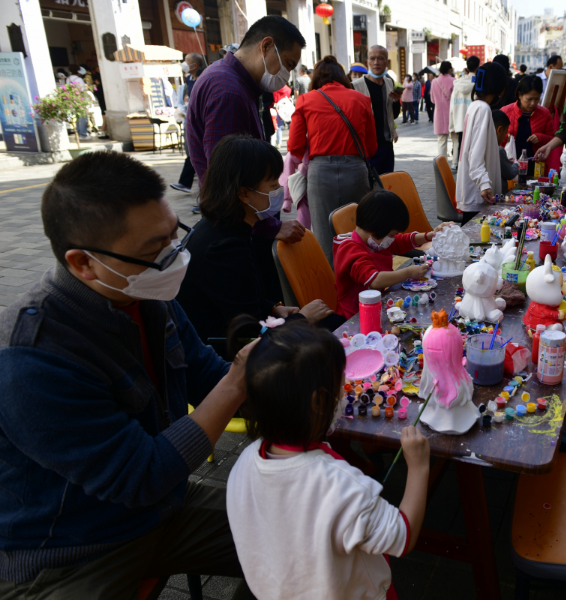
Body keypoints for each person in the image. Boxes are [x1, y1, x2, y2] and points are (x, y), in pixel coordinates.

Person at [0, 151, 258, 599]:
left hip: (161, 508)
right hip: (70, 552)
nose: (175, 258)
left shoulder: (146, 294)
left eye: (172, 236)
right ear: (82, 263)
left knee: (306, 535)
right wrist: (239, 380)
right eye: (153, 250)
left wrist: (297, 388)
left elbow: (204, 373)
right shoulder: (30, 358)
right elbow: (143, 475)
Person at [225, 317, 430, 600]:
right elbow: (402, 536)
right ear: (318, 402)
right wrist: (419, 467)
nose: (343, 395)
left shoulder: (244, 463)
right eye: (340, 389)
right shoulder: (340, 485)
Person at [176, 135, 335, 347]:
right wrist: (302, 319)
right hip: (223, 350)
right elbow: (248, 335)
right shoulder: (224, 248)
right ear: (244, 194)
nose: (279, 190)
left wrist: (272, 308)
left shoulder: (230, 228)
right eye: (272, 185)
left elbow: (241, 298)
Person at [186, 15, 306, 244]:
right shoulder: (227, 92)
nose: (287, 75)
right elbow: (228, 180)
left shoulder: (230, 80)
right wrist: (270, 228)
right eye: (288, 64)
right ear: (267, 45)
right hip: (239, 229)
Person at [288, 56, 377, 266]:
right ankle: (360, 278)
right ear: (342, 77)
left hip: (320, 173)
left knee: (323, 234)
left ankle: (330, 287)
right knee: (357, 230)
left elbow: (294, 147)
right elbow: (371, 148)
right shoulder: (361, 99)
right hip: (355, 170)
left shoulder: (305, 100)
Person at [333, 191, 449, 319]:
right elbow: (375, 280)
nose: (393, 239)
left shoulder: (376, 241)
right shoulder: (349, 249)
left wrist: (430, 235)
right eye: (392, 235)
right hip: (354, 316)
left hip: (376, 306)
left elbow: (402, 241)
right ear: (375, 228)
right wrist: (409, 272)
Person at [455, 62, 508, 222]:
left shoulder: (475, 106)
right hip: (478, 194)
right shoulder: (482, 109)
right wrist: (484, 185)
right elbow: (475, 156)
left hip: (475, 192)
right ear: (499, 87)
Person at [352, 45, 402, 175]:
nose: (376, 62)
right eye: (372, 58)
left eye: (380, 58)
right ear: (367, 61)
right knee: (369, 189)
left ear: (386, 62)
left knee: (386, 186)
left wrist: (396, 102)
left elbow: (393, 115)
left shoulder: (389, 83)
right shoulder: (355, 87)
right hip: (367, 148)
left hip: (386, 146)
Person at [500, 75, 555, 178]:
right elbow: (496, 140)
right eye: (529, 99)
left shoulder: (544, 114)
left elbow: (552, 138)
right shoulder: (505, 112)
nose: (533, 103)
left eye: (537, 99)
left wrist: (540, 137)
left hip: (535, 168)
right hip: (510, 167)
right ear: (519, 95)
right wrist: (507, 137)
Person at [170, 54, 207, 196]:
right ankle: (187, 184)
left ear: (195, 65)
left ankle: (205, 196)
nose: (184, 64)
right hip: (190, 121)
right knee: (193, 154)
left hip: (201, 123)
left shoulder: (204, 77)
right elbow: (187, 100)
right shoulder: (188, 80)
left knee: (201, 156)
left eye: (187, 61)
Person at [448, 56, 481, 169]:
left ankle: (461, 169)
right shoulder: (479, 84)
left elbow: (452, 105)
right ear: (478, 66)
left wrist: (452, 125)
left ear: (467, 67)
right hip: (474, 122)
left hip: (460, 123)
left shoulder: (457, 83)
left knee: (462, 149)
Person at [432, 61, 455, 162]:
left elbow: (432, 99)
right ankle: (455, 163)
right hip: (452, 113)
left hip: (439, 114)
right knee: (455, 139)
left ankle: (442, 164)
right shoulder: (453, 81)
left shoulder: (434, 81)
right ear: (449, 69)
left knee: (441, 140)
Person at [493, 110, 519, 194]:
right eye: (506, 131)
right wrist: (516, 164)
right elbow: (510, 174)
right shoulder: (498, 150)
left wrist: (507, 162)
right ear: (499, 130)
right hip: (498, 194)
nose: (505, 135)